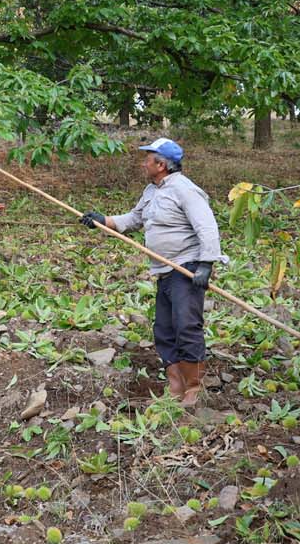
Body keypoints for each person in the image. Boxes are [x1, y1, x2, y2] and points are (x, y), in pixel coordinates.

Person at [81, 137, 224, 406]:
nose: (143, 164)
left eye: (147, 159)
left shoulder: (185, 190)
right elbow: (134, 219)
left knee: (186, 325)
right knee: (164, 329)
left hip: (186, 267)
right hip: (164, 270)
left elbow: (206, 226)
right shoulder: (151, 191)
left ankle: (194, 387)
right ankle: (175, 386)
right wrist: (103, 220)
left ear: (161, 165)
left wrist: (206, 263)